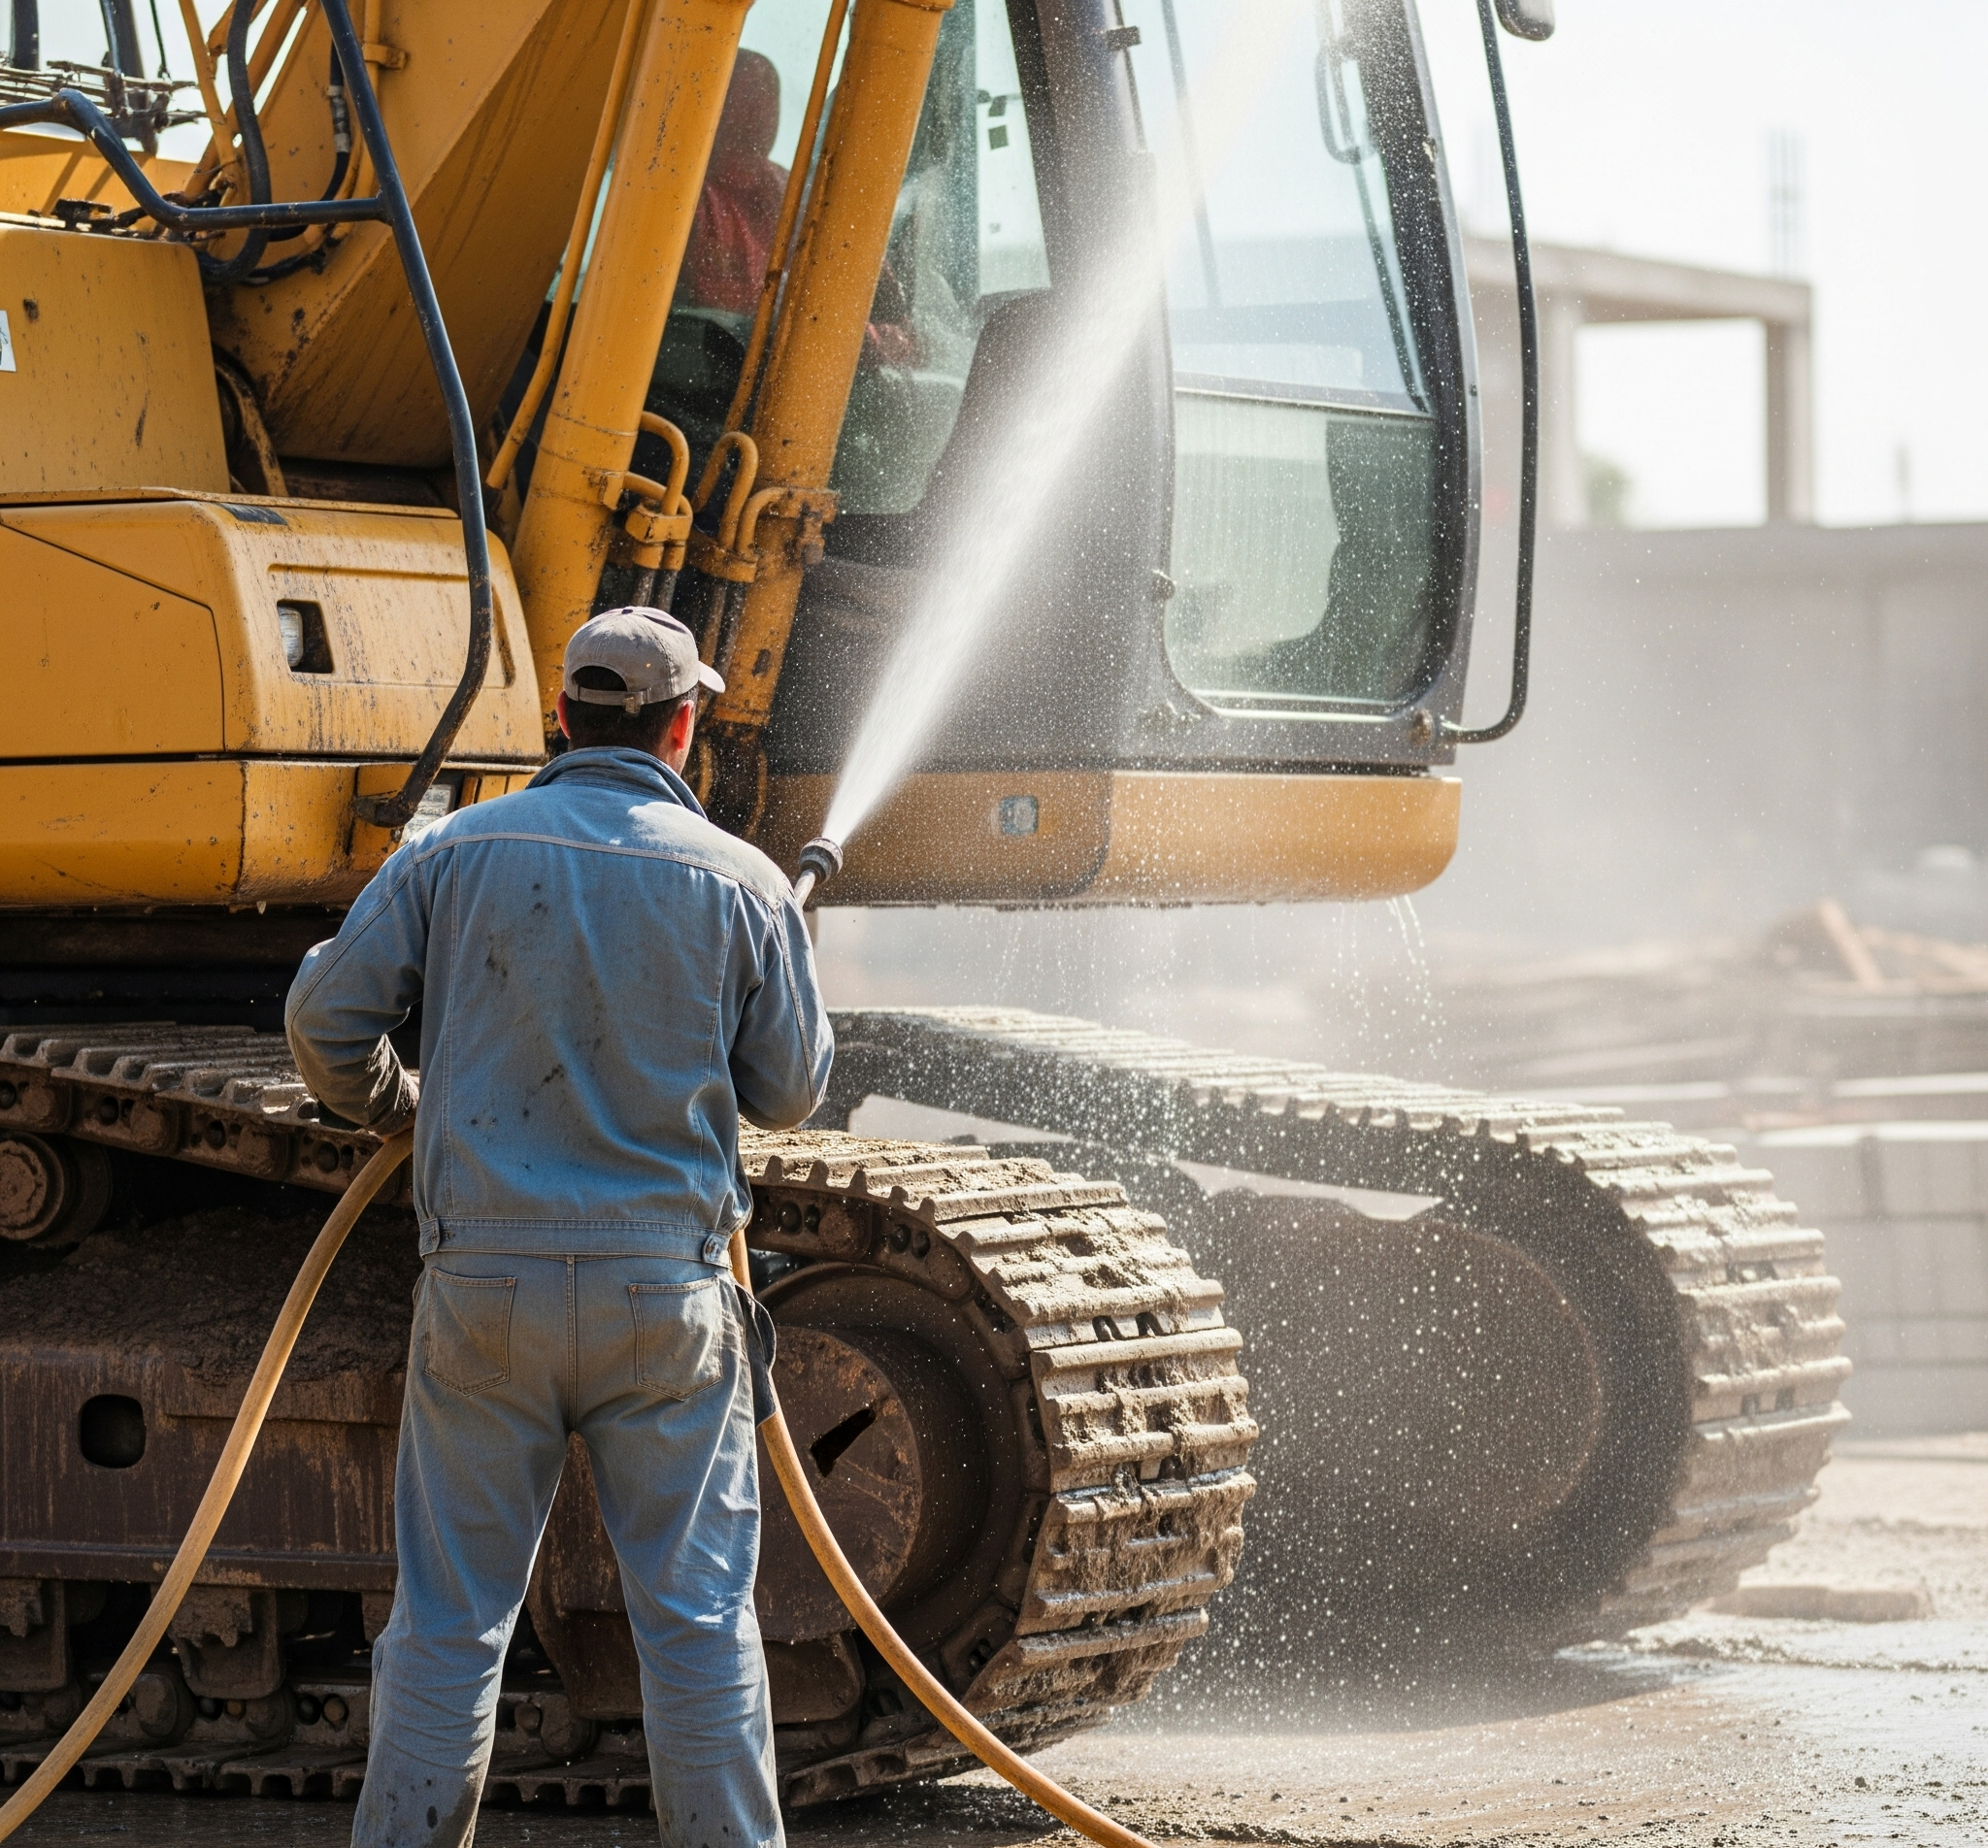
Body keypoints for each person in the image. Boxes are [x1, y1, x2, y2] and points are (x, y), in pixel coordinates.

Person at [285, 607, 832, 1848]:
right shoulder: (741, 879)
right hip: (665, 1300)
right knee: (694, 1620)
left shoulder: (452, 851)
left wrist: (398, 1109)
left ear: (560, 718)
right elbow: (790, 1090)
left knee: (448, 1620)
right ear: (682, 724)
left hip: (484, 1292)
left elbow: (325, 1024)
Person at [679, 50, 788, 315]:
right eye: (743, 103)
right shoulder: (676, 191)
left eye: (766, 102)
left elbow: (893, 319)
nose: (757, 120)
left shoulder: (796, 194)